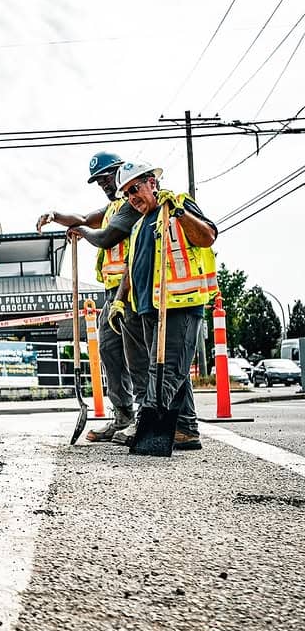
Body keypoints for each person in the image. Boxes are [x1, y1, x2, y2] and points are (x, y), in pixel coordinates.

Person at [35, 152, 147, 443]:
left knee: (136, 357)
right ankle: (123, 416)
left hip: (131, 288)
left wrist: (81, 232)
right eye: (99, 181)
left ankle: (146, 419)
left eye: (106, 178)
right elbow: (85, 219)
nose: (103, 184)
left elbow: (106, 237)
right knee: (109, 349)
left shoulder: (132, 204)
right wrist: (56, 216)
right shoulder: (112, 207)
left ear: (121, 172)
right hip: (112, 293)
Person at [110, 161, 218, 451]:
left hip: (180, 303)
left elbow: (207, 237)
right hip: (149, 306)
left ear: (152, 183)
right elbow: (131, 267)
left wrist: (179, 212)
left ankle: (146, 427)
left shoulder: (177, 205)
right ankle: (186, 429)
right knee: (175, 371)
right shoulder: (138, 225)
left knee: (165, 372)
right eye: (126, 194)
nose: (132, 197)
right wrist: (119, 300)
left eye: (135, 189)